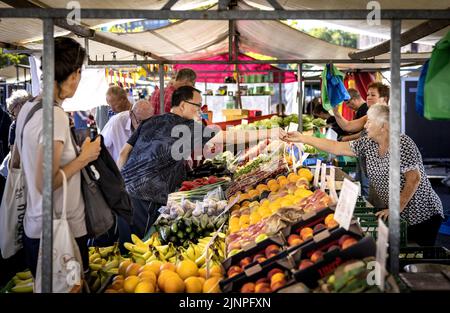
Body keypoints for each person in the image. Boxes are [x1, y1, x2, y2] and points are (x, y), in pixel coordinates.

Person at [118, 86, 279, 239]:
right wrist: (270, 132)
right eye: (197, 106)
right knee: (139, 241)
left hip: (123, 188)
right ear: (182, 105)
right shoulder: (186, 127)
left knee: (124, 237)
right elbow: (227, 138)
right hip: (146, 194)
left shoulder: (152, 121)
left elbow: (123, 153)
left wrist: (120, 182)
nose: (199, 110)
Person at [280, 104, 444, 246]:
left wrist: (395, 209)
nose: (365, 126)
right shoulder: (368, 143)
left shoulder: (402, 143)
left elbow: (414, 178)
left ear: (383, 126)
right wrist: (302, 139)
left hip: (422, 213)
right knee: (396, 252)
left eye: (370, 122)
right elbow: (337, 147)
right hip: (398, 215)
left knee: (413, 257)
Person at [15, 37, 101, 277]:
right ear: (74, 75)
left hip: (35, 227)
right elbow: (45, 182)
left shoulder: (27, 109)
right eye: (80, 74)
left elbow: (18, 162)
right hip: (61, 232)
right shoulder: (56, 116)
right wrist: (84, 157)